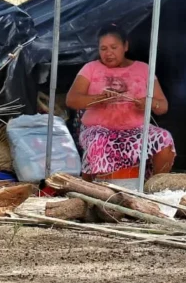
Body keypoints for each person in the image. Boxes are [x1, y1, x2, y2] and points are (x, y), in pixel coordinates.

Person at [65, 24, 176, 179]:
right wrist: (99, 99)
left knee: (164, 139)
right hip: (98, 129)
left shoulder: (143, 69)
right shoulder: (90, 68)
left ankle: (154, 188)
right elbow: (71, 100)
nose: (108, 53)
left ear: (125, 46)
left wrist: (149, 103)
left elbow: (163, 106)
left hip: (136, 130)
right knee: (99, 141)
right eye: (103, 49)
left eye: (113, 47)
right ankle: (92, 189)